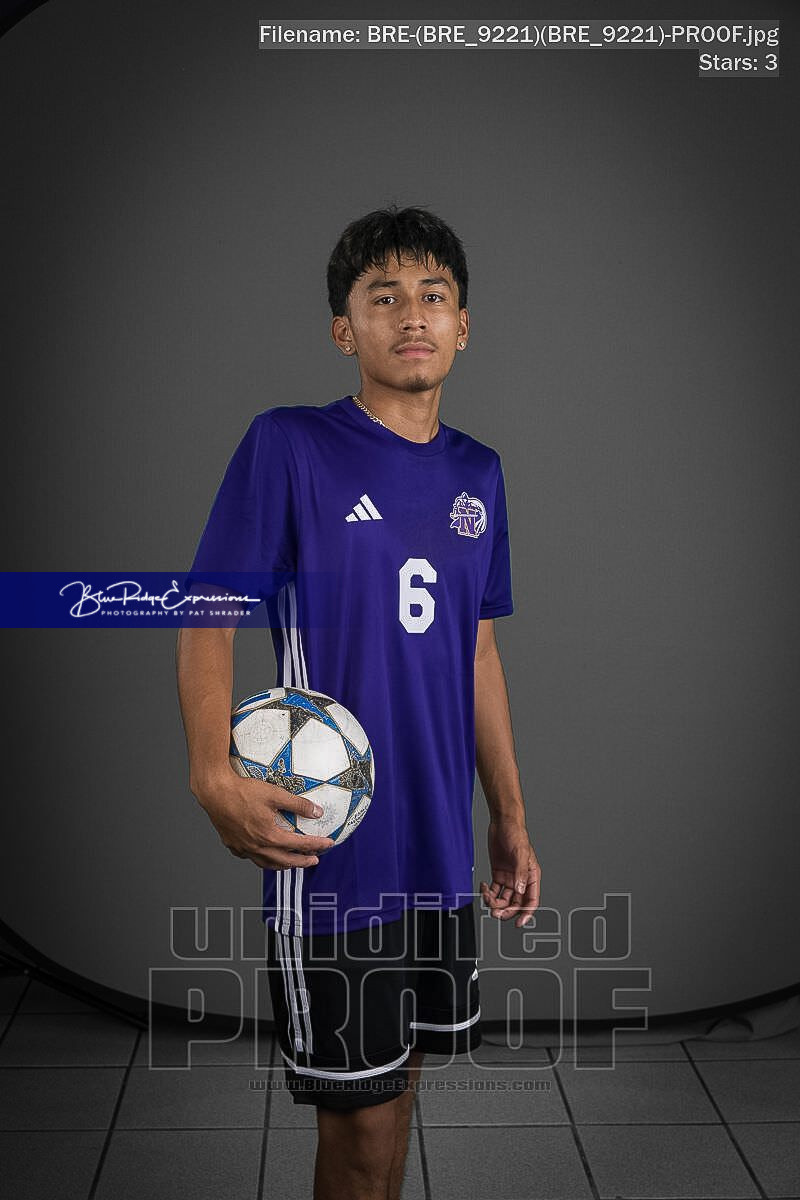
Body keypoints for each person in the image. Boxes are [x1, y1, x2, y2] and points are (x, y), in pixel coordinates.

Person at [176, 204, 541, 1200]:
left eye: (433, 295)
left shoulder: (478, 473)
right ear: (345, 329)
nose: (411, 314)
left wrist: (507, 816)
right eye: (384, 298)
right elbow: (206, 613)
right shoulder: (290, 445)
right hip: (337, 848)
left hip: (438, 844)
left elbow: (477, 651)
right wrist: (211, 770)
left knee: (400, 1088)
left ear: (463, 325)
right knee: (363, 1128)